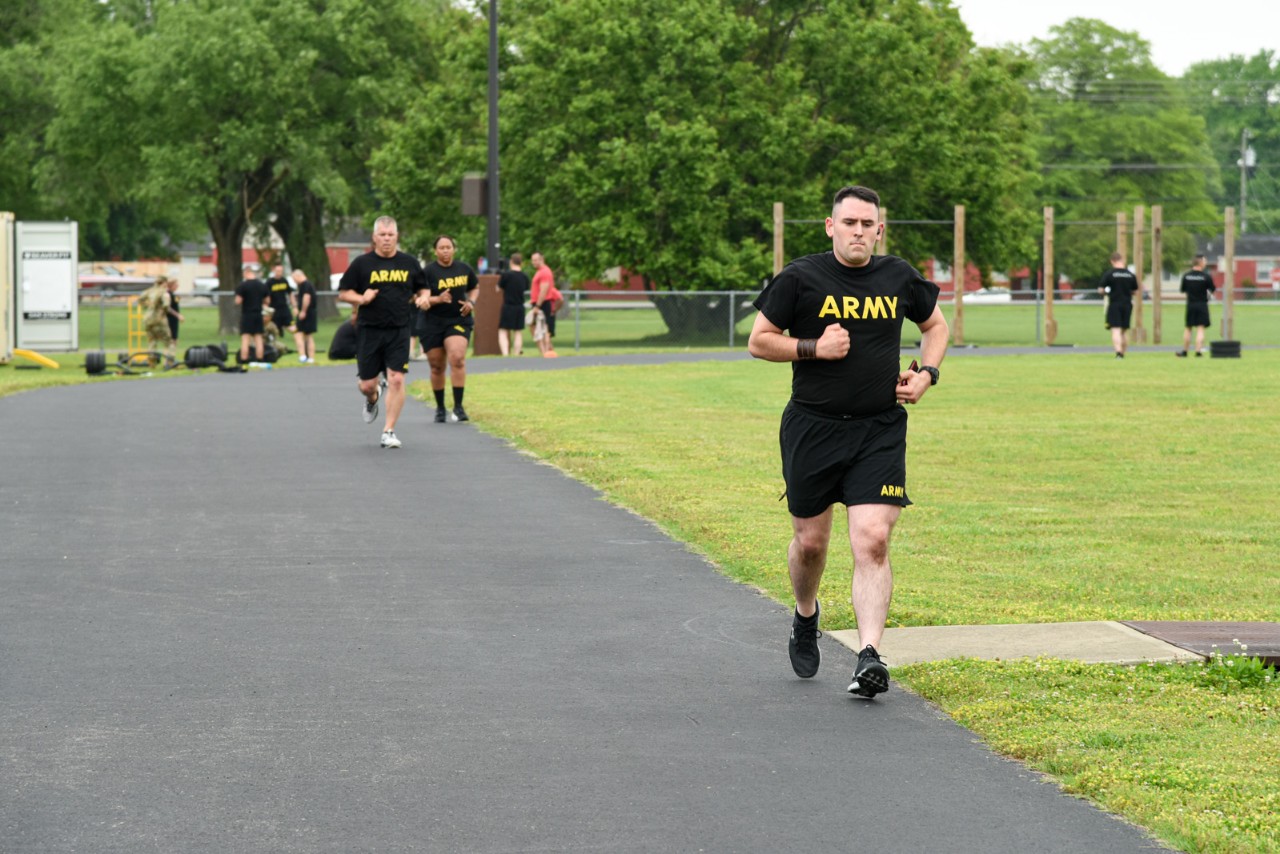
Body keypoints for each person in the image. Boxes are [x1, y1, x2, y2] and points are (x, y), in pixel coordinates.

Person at [747, 185, 948, 699]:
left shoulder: (898, 276)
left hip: (878, 428)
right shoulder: (800, 277)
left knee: (872, 539)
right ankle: (806, 616)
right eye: (850, 222)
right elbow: (759, 340)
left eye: (868, 224)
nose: (859, 231)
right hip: (813, 428)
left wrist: (927, 373)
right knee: (811, 543)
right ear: (831, 226)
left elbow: (936, 325)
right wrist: (814, 346)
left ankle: (869, 656)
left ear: (879, 230)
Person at [337, 215, 428, 449]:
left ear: (397, 237)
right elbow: (344, 292)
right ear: (374, 238)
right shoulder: (362, 264)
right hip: (369, 330)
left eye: (391, 235)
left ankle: (388, 430)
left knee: (397, 379)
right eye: (382, 235)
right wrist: (361, 298)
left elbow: (422, 288)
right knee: (366, 384)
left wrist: (424, 298)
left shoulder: (409, 262)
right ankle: (372, 398)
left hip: (399, 329)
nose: (387, 239)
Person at [418, 234, 478, 423]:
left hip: (458, 320)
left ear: (454, 249)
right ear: (435, 251)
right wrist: (437, 299)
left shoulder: (464, 269)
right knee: (437, 366)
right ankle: (440, 408)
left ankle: (458, 408)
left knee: (457, 358)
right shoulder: (427, 272)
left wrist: (471, 302)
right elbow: (419, 298)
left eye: (448, 247)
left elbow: (474, 287)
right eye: (441, 248)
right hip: (432, 322)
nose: (445, 251)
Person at [1098, 252, 1139, 358]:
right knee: (1124, 330)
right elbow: (1135, 291)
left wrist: (1107, 292)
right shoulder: (1130, 275)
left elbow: (1101, 290)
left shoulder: (1109, 274)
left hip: (1114, 304)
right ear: (1122, 260)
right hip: (1127, 304)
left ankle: (1118, 353)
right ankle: (1124, 352)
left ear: (1112, 261)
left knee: (1116, 329)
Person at [1176, 254, 1216, 358]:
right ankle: (1198, 352)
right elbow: (1212, 290)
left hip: (1190, 305)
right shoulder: (1206, 276)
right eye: (1205, 261)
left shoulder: (1186, 276)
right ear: (1200, 263)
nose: (1206, 263)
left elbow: (1183, 290)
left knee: (1188, 328)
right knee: (1200, 328)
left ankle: (1185, 351)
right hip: (1202, 304)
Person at [529, 251, 563, 355]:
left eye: (535, 260)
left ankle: (546, 352)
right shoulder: (539, 272)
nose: (533, 262)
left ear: (541, 259)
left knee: (543, 329)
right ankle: (546, 352)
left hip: (542, 303)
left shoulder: (545, 272)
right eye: (532, 260)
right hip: (538, 303)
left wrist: (537, 306)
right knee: (537, 327)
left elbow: (544, 290)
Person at [497, 252, 529, 356]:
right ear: (521, 263)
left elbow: (497, 288)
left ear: (511, 262)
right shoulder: (524, 276)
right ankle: (516, 353)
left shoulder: (506, 275)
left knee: (503, 331)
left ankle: (505, 353)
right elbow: (526, 288)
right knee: (518, 331)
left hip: (508, 305)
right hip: (520, 306)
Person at [235, 263, 269, 364]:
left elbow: (238, 301)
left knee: (245, 338)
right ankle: (260, 359)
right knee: (258, 337)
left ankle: (244, 359)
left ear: (246, 273)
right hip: (258, 314)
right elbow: (267, 301)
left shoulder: (242, 286)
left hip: (247, 314)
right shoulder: (262, 285)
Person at [138, 276, 174, 354]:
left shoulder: (149, 291)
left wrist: (147, 305)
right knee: (168, 341)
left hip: (148, 319)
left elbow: (140, 299)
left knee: (152, 340)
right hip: (159, 319)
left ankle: (152, 361)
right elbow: (166, 305)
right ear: (164, 283)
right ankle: (169, 361)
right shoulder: (163, 292)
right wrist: (163, 311)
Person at [291, 268, 318, 362]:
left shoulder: (305, 285)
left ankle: (302, 356)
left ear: (298, 276)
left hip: (307, 313)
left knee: (298, 333)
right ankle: (310, 358)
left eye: (294, 278)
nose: (294, 281)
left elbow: (307, 298)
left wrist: (303, 311)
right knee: (308, 335)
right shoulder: (307, 284)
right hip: (311, 313)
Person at [265, 263, 295, 334]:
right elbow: (266, 297)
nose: (279, 273)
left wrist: (294, 306)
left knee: (292, 326)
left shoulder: (284, 281)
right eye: (278, 271)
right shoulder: (269, 282)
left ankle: (300, 339)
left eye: (281, 271)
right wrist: (266, 308)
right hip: (274, 309)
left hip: (284, 307)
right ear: (274, 270)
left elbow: (290, 293)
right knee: (274, 329)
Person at [165, 277, 184, 357]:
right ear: (171, 285)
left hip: (174, 320)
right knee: (172, 340)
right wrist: (178, 315)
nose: (178, 285)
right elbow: (168, 308)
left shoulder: (173, 294)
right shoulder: (168, 295)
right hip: (170, 319)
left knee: (174, 340)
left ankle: (170, 359)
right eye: (176, 284)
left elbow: (174, 304)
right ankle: (169, 360)